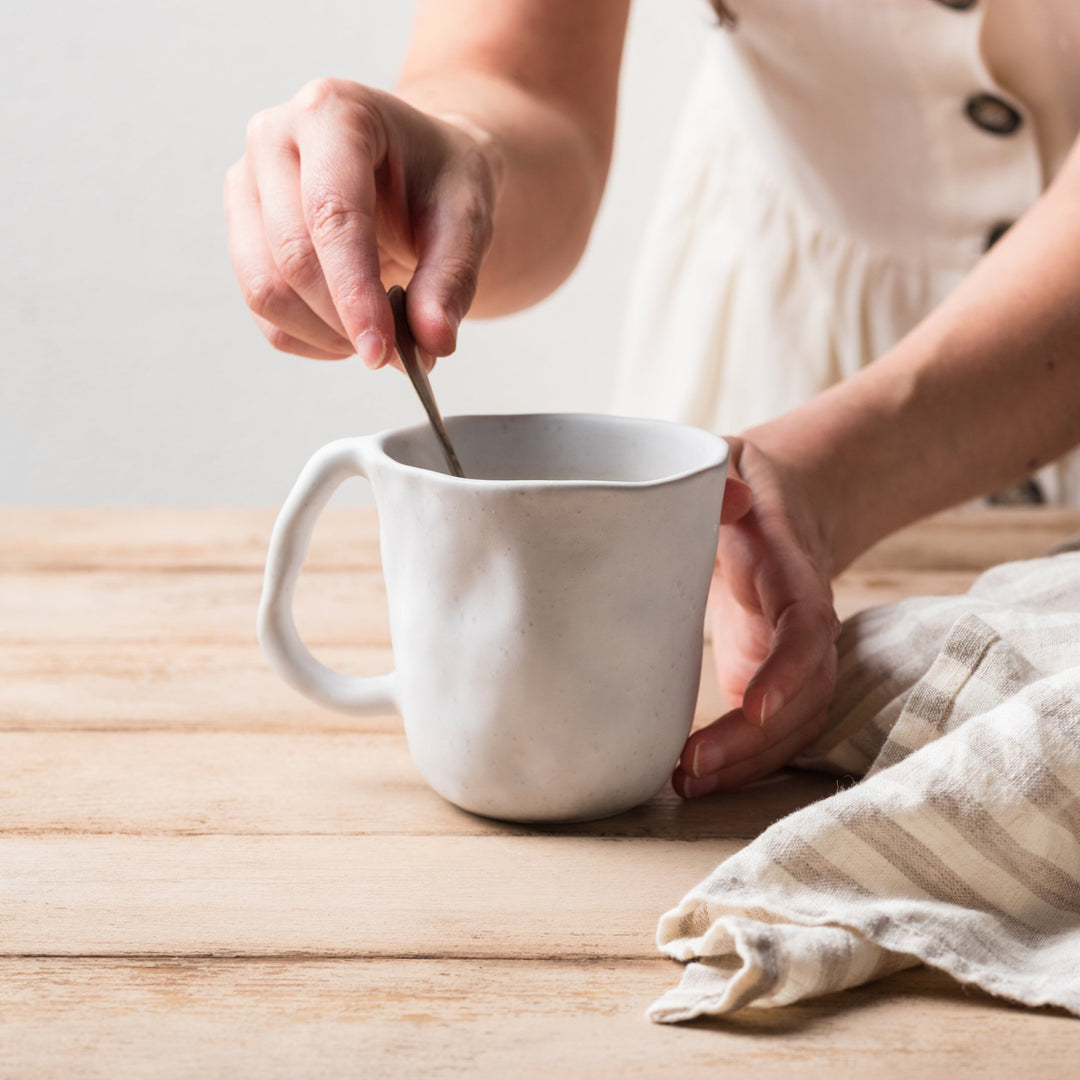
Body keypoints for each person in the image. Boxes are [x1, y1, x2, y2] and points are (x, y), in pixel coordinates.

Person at [224, 0, 1080, 799]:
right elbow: (524, 81)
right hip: (782, 347)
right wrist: (461, 151)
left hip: (824, 436)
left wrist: (830, 467)